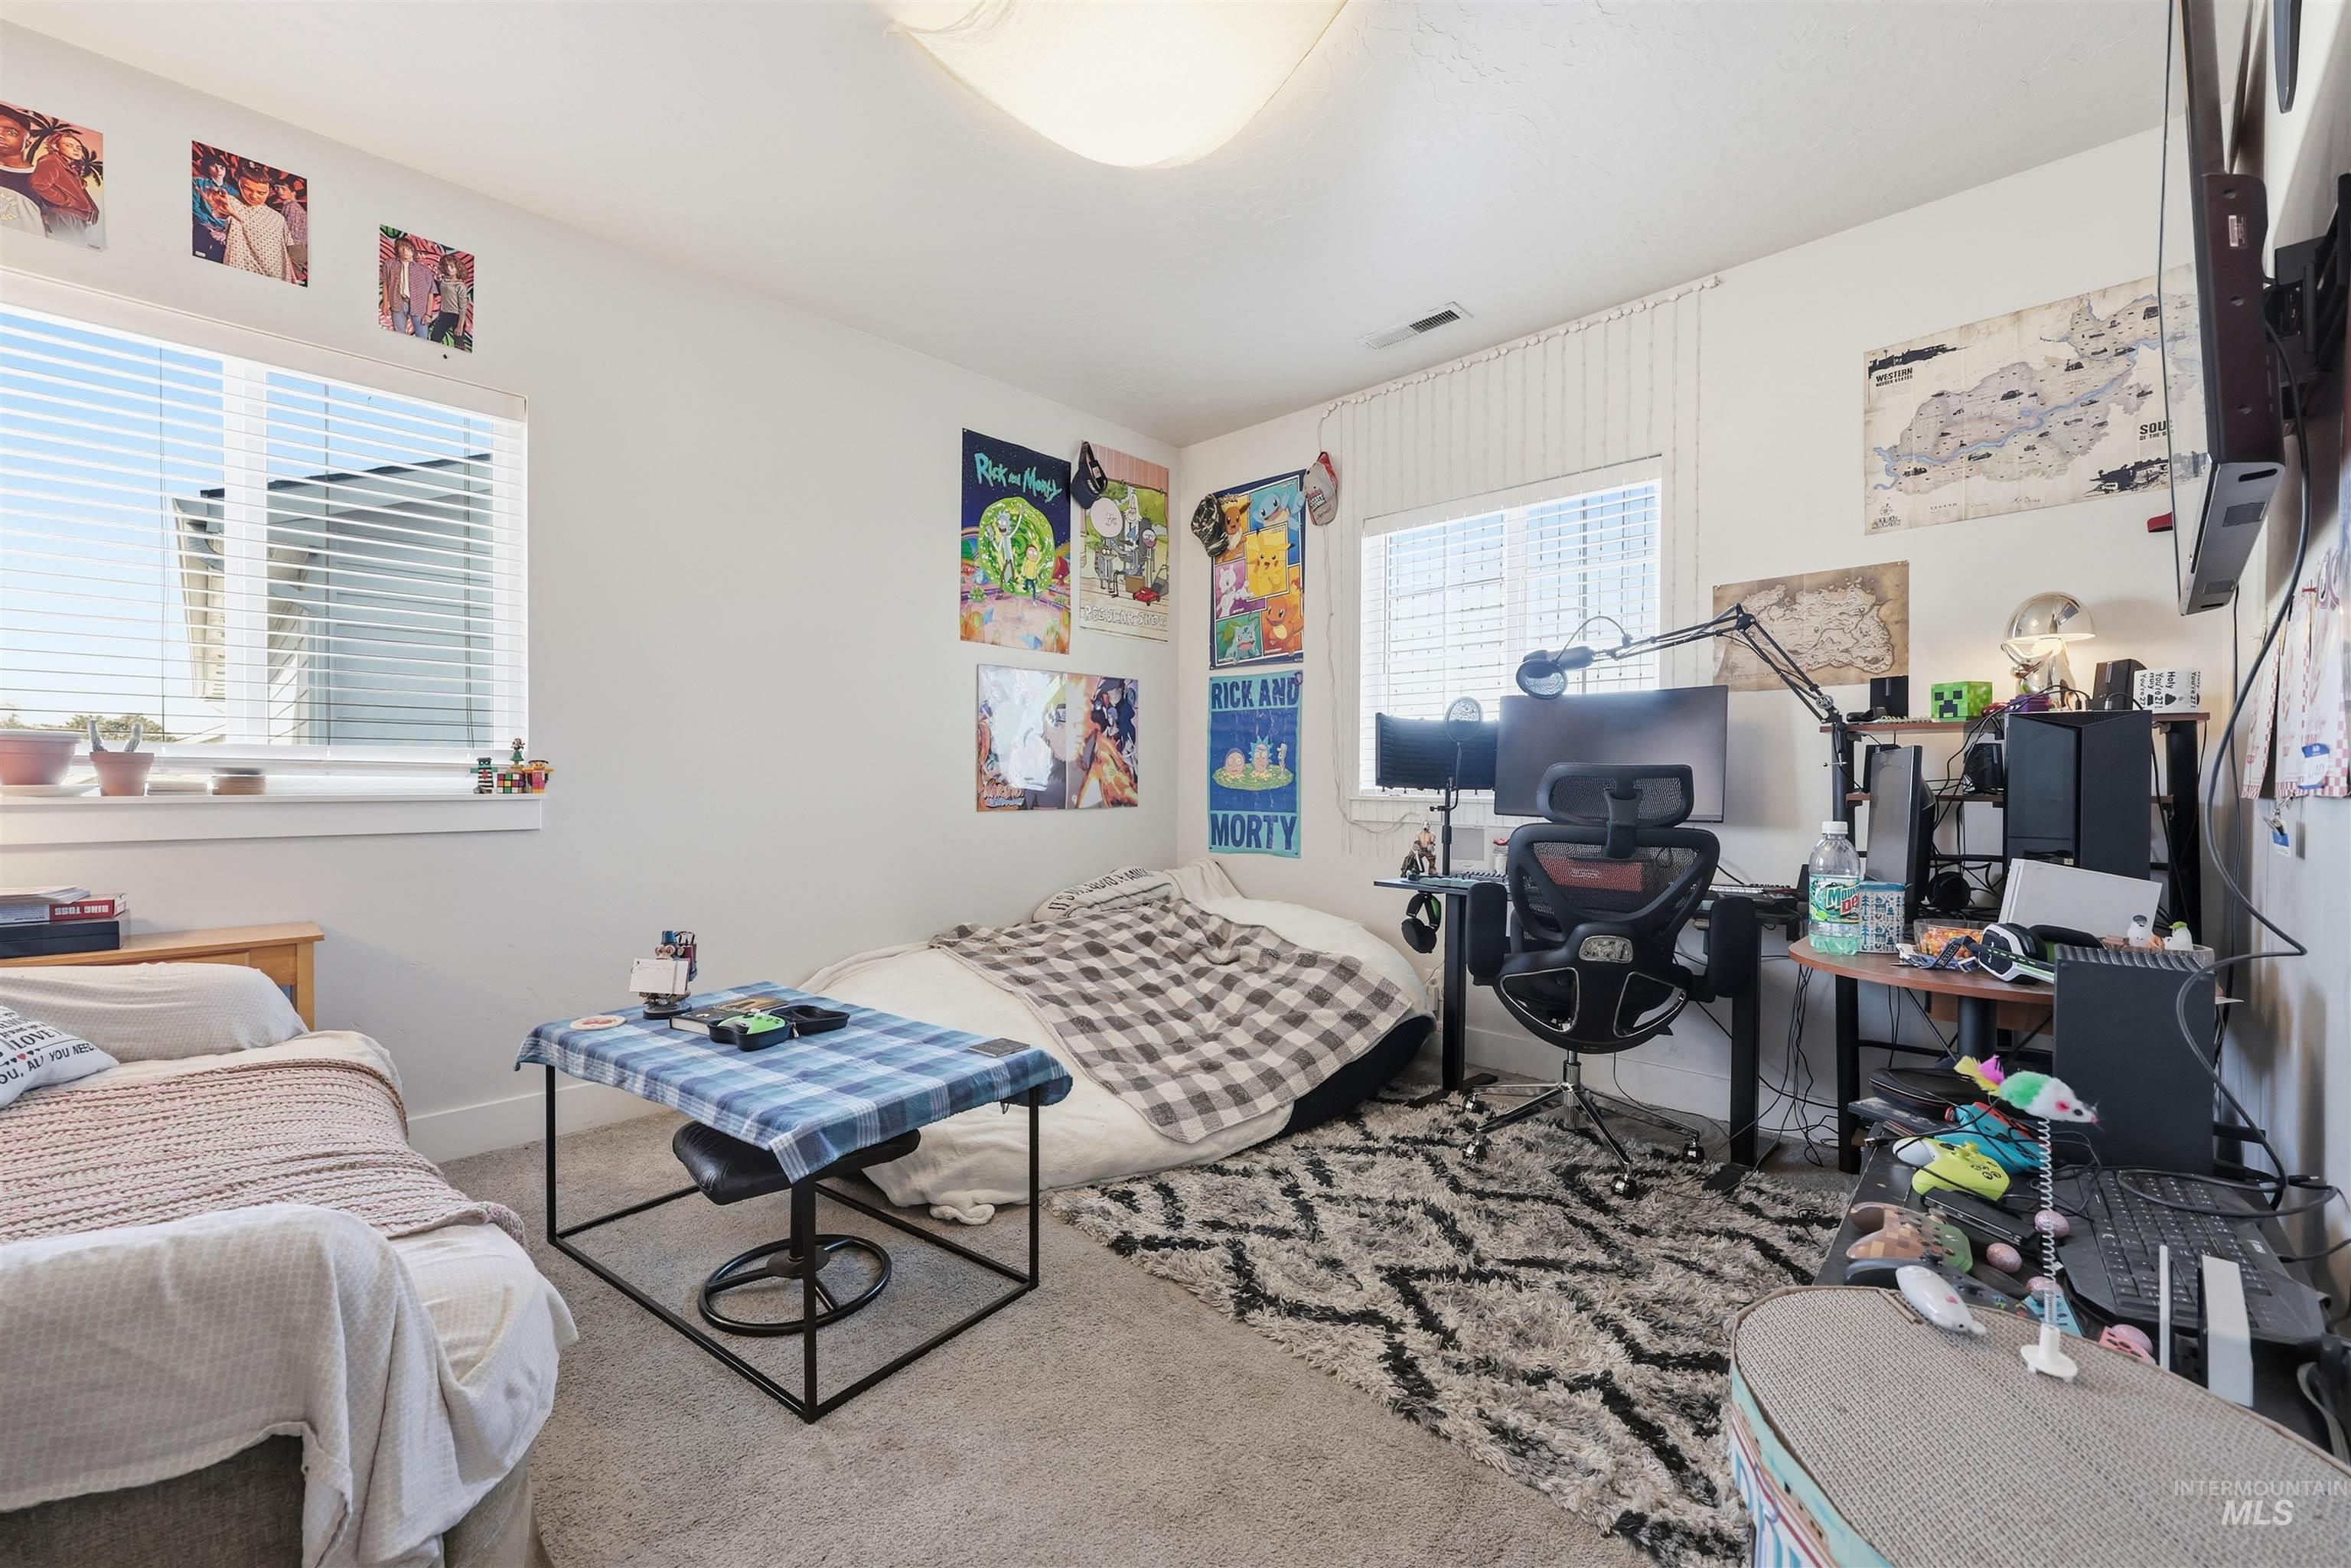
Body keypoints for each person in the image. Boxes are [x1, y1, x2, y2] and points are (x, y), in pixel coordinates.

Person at [219, 167, 294, 281]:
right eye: (247, 189)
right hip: (242, 272)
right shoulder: (231, 202)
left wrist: (293, 279)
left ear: (269, 190)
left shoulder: (279, 218)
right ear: (239, 184)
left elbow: (285, 251)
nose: (254, 196)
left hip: (276, 277)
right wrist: (220, 210)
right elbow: (220, 213)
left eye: (261, 192)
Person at [27, 127, 99, 245]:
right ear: (56, 147)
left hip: (76, 216)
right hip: (64, 215)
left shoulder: (69, 168)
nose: (76, 150)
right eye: (69, 145)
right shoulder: (50, 161)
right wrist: (67, 202)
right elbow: (39, 184)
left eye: (79, 148)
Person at [427, 250, 469, 347]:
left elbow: (463, 308)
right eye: (447, 266)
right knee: (435, 338)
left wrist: (460, 326)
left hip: (456, 316)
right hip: (444, 314)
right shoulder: (444, 281)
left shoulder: (460, 286)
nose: (449, 268)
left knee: (458, 343)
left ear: (458, 268)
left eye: (452, 266)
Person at [271, 179, 305, 281]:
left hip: (294, 247)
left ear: (293, 193)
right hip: (298, 248)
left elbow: (291, 231)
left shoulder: (292, 207)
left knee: (290, 277)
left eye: (283, 189)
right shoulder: (290, 206)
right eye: (277, 188)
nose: (279, 191)